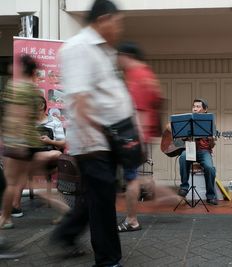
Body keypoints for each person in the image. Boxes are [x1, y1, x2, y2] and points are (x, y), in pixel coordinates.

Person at [50, 0, 132, 266]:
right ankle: (108, 259)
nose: (119, 29)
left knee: (99, 194)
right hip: (93, 139)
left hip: (107, 136)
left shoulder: (103, 50)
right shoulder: (79, 47)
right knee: (103, 197)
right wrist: (90, 133)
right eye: (117, 22)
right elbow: (80, 94)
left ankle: (66, 233)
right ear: (104, 19)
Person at [116, 42, 163, 232]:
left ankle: (132, 219)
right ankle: (159, 192)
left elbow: (140, 111)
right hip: (139, 135)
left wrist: (137, 140)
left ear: (127, 55)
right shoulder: (147, 74)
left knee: (131, 178)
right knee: (131, 177)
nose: (117, 60)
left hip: (134, 136)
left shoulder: (137, 75)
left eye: (119, 56)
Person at [0, 55, 42, 229]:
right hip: (30, 142)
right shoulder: (33, 89)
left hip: (18, 143)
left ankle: (5, 219)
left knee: (10, 183)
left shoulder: (15, 87)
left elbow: (17, 117)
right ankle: (8, 216)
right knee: (25, 180)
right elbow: (33, 117)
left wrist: (13, 141)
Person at [11, 96, 68, 218]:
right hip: (32, 156)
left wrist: (49, 141)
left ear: (41, 106)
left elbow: (63, 143)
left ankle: (15, 206)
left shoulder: (55, 121)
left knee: (57, 154)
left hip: (49, 157)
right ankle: (15, 205)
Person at [177, 99, 218, 205]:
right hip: (190, 149)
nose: (195, 108)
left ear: (205, 110)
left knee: (210, 168)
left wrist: (212, 139)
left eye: (198, 106)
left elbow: (212, 145)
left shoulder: (210, 123)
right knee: (183, 156)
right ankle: (184, 188)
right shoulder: (187, 121)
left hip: (204, 151)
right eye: (194, 106)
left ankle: (210, 195)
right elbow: (180, 138)